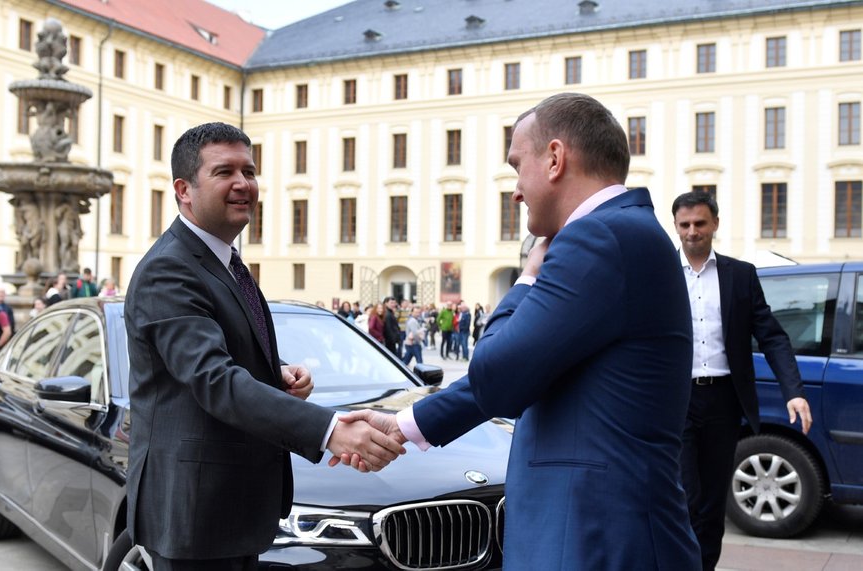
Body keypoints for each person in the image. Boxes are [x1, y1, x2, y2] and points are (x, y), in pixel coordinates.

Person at [338, 93, 702, 569]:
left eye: (517, 165)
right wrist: (407, 425)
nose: (515, 190)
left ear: (554, 158)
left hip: (595, 537)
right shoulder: (621, 233)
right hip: (598, 531)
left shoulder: (599, 237)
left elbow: (496, 372)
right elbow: (530, 368)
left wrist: (527, 277)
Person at [123, 122, 404, 570]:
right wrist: (331, 431)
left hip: (231, 508)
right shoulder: (168, 271)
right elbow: (214, 380)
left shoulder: (223, 261)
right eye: (224, 172)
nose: (243, 184)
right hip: (196, 516)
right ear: (184, 190)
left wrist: (278, 372)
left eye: (249, 171)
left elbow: (224, 352)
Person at [671, 190, 812, 571]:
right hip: (676, 402)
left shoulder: (740, 275)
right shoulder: (661, 274)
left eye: (700, 223)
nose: (692, 232)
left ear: (714, 223)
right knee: (685, 497)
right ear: (676, 227)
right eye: (684, 225)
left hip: (723, 402)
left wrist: (794, 393)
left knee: (713, 503)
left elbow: (773, 336)